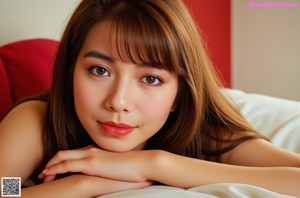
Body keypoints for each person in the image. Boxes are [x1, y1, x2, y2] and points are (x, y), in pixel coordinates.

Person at [1, 0, 299, 197]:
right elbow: (6, 188)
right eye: (100, 70)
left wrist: (156, 165)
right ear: (70, 70)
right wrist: (84, 183)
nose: (118, 101)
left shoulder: (201, 131)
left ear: (180, 93)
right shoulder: (37, 122)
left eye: (151, 79)